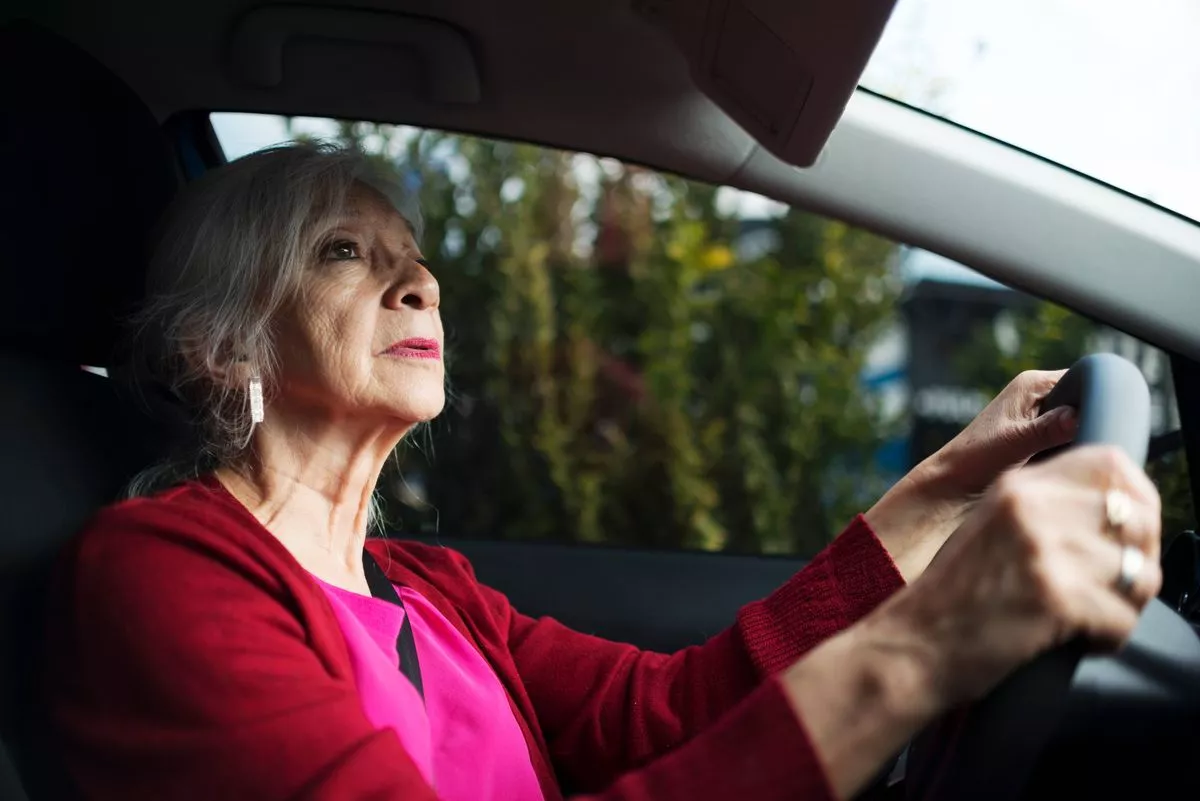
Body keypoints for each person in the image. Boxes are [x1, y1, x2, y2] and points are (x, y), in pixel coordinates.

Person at [42, 142, 1162, 801]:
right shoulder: (159, 576)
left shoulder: (433, 593)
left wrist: (941, 487)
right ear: (220, 343)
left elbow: (665, 713)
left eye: (415, 262)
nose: (420, 285)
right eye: (345, 254)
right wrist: (917, 655)